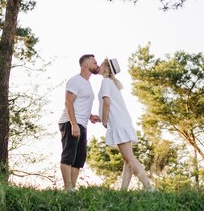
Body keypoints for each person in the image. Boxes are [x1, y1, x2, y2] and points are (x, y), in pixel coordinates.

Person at [98, 58, 153, 191]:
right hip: (123, 122)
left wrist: (104, 120)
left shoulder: (106, 81)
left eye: (101, 64)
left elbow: (107, 103)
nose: (98, 66)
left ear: (106, 68)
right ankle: (123, 191)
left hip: (118, 124)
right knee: (128, 160)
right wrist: (100, 117)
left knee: (129, 158)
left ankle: (148, 187)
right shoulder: (111, 83)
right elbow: (109, 106)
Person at [59, 54, 101, 191]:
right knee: (68, 156)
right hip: (70, 122)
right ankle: (67, 188)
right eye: (94, 62)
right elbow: (68, 102)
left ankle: (72, 189)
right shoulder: (75, 80)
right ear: (85, 65)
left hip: (82, 123)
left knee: (79, 159)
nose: (97, 64)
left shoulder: (87, 83)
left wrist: (90, 116)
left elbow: (79, 103)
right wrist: (73, 123)